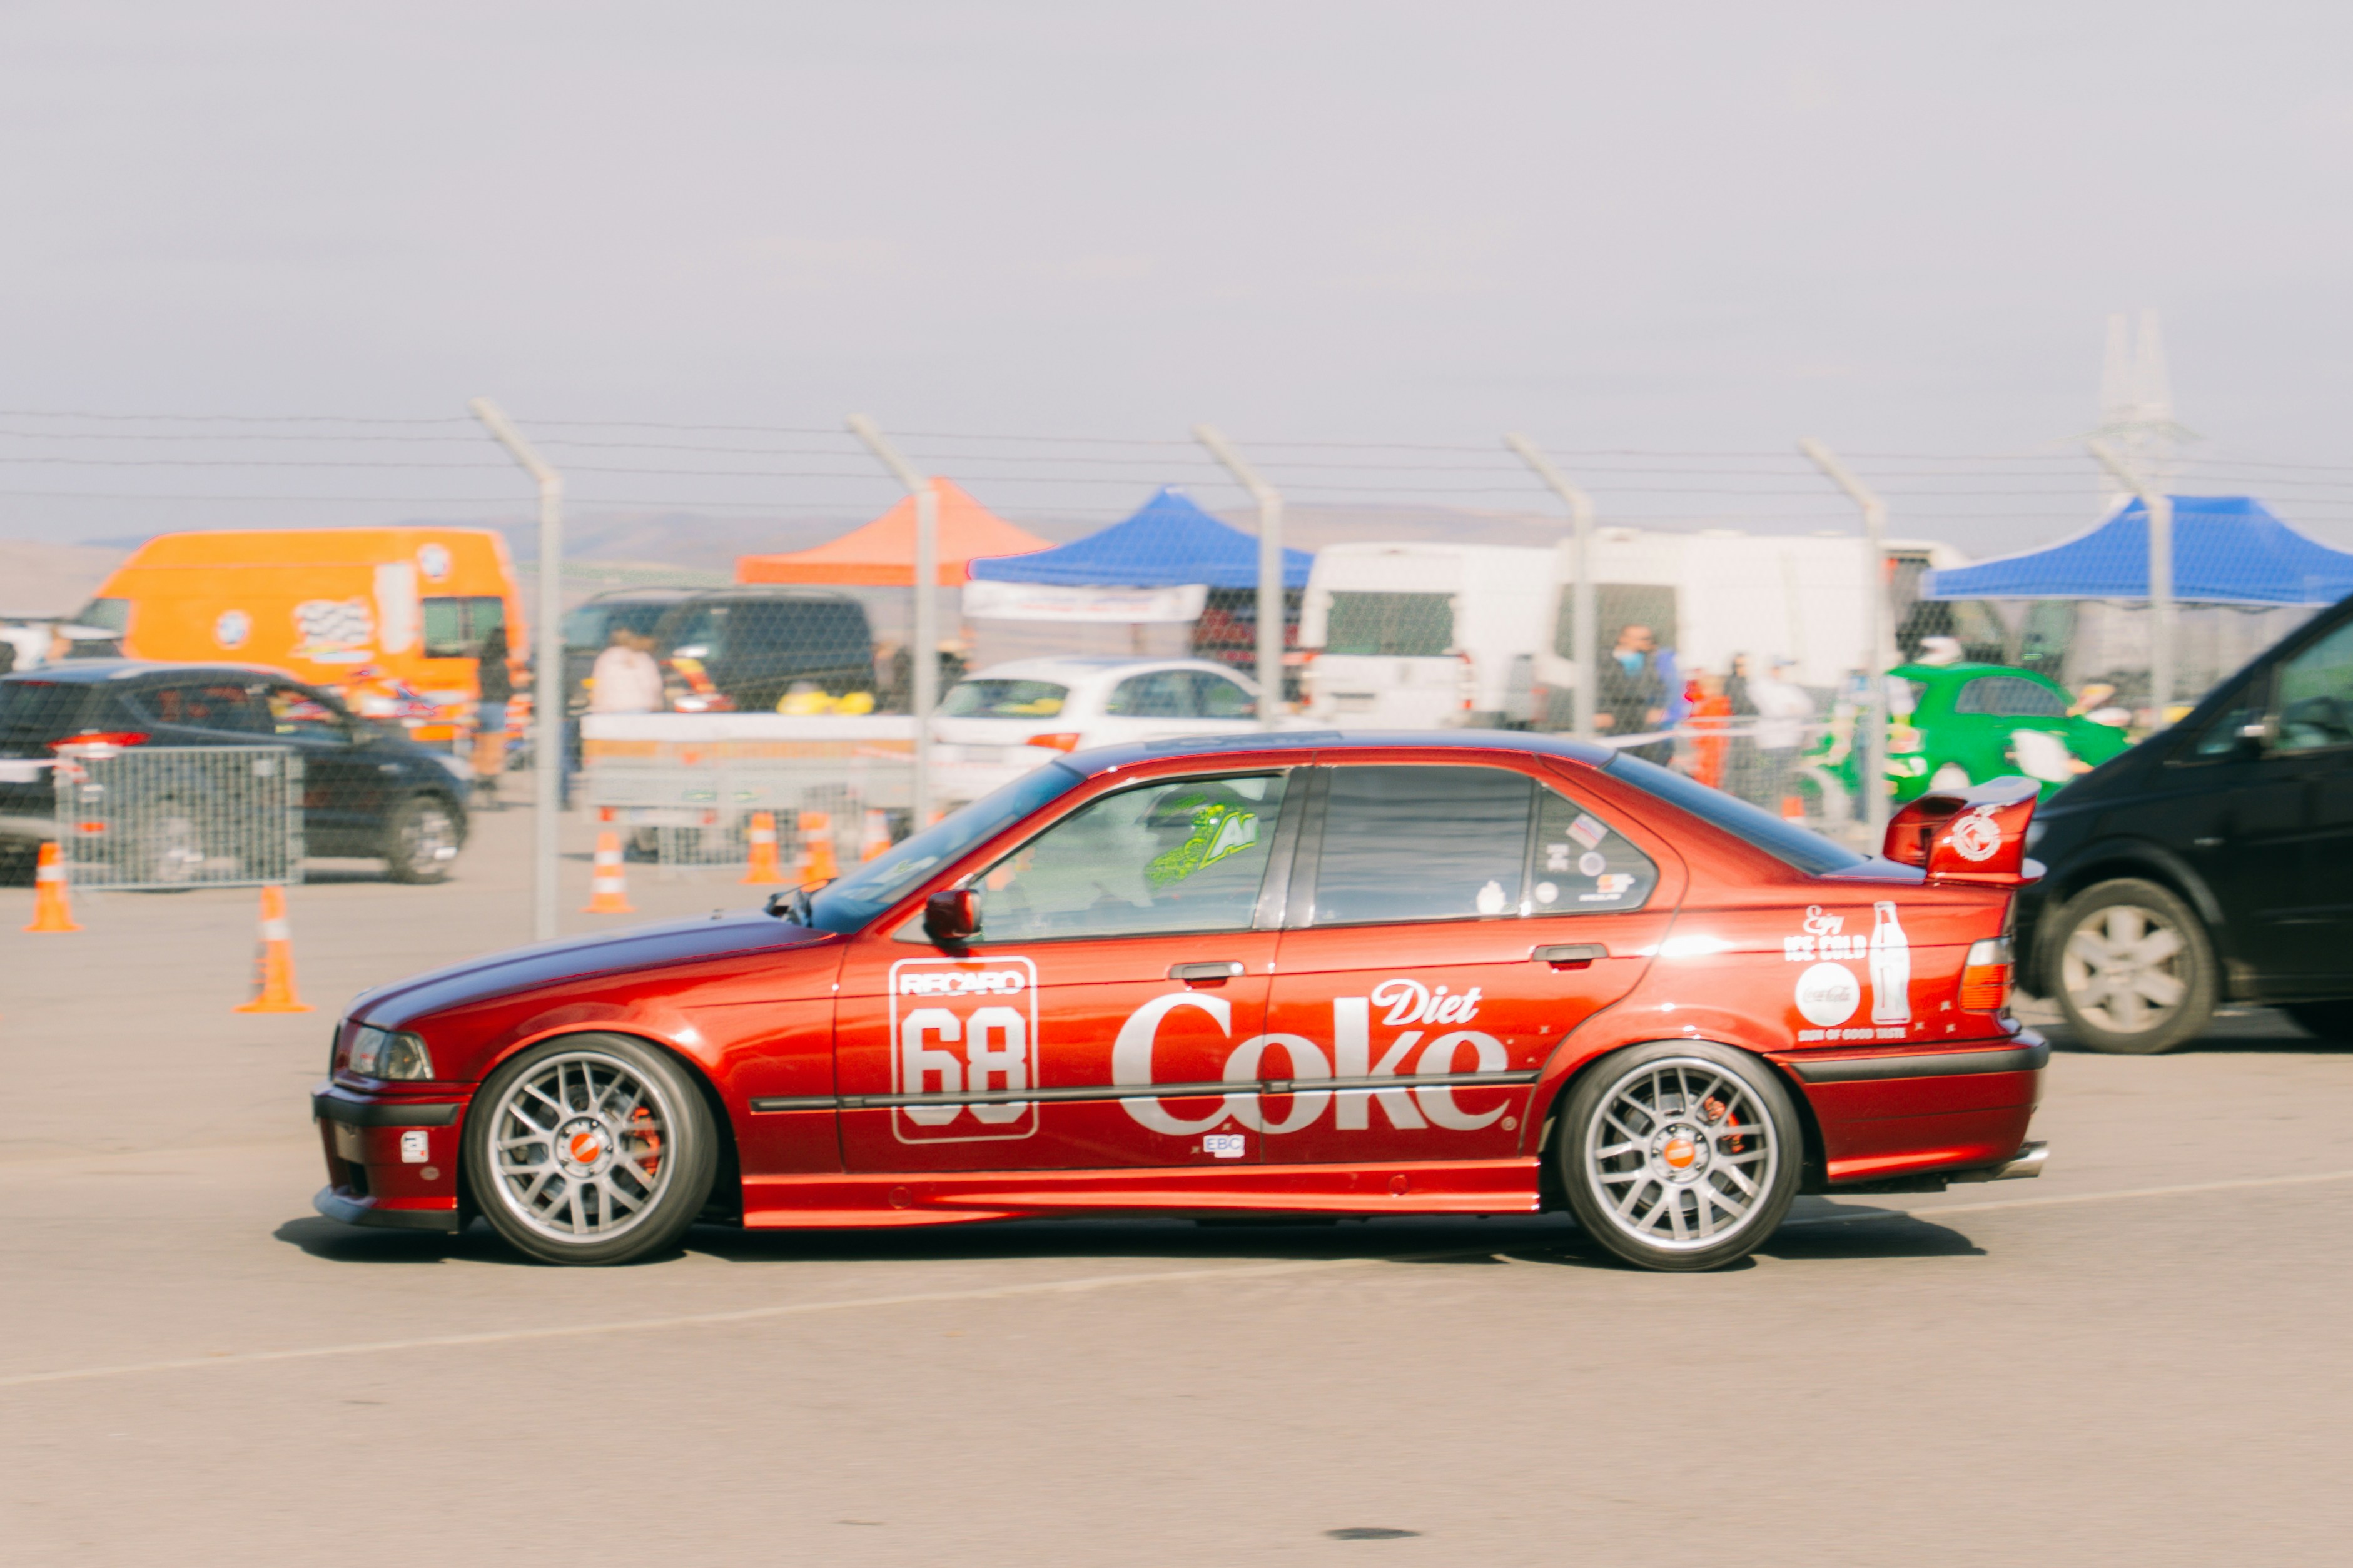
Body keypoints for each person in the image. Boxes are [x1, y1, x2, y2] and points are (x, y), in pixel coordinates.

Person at [1748, 655, 1816, 811]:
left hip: (1791, 741)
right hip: (1771, 743)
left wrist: (1793, 709)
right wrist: (1792, 709)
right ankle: (1767, 812)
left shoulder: (1788, 688)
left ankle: (1786, 813)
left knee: (1788, 781)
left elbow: (1807, 707)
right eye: (1777, 668)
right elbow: (1775, 710)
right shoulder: (1760, 686)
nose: (1780, 672)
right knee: (1770, 781)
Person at [1597, 624, 1672, 764]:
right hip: (1615, 711)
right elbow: (1598, 686)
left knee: (1652, 754)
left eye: (1646, 639)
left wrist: (1658, 708)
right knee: (1619, 757)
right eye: (1637, 639)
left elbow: (1660, 686)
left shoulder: (1651, 660)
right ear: (1623, 639)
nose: (1642, 643)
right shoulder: (1605, 660)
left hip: (1644, 711)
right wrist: (1603, 710)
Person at [470, 624, 513, 808]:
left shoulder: (483, 662)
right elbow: (506, 690)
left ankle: (480, 787)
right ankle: (492, 796)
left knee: (482, 750)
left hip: (482, 706)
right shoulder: (501, 665)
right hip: (496, 708)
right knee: (495, 752)